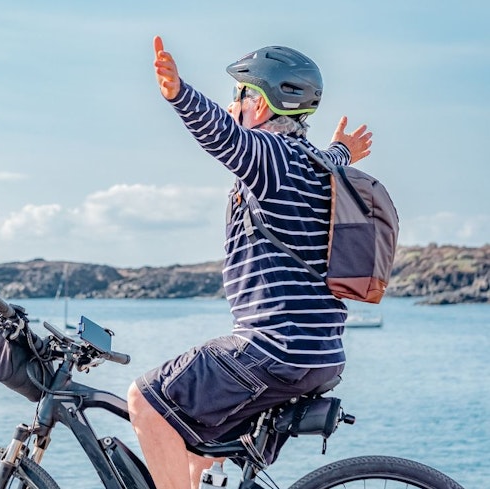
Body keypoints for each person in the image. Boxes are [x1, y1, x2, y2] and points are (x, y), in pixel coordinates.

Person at [126, 36, 374, 489]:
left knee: (144, 400)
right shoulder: (319, 163)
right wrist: (344, 150)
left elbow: (222, 136)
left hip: (274, 349)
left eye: (238, 95)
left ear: (258, 103)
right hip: (319, 354)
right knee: (194, 442)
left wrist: (179, 93)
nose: (232, 104)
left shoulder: (272, 157)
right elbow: (328, 154)